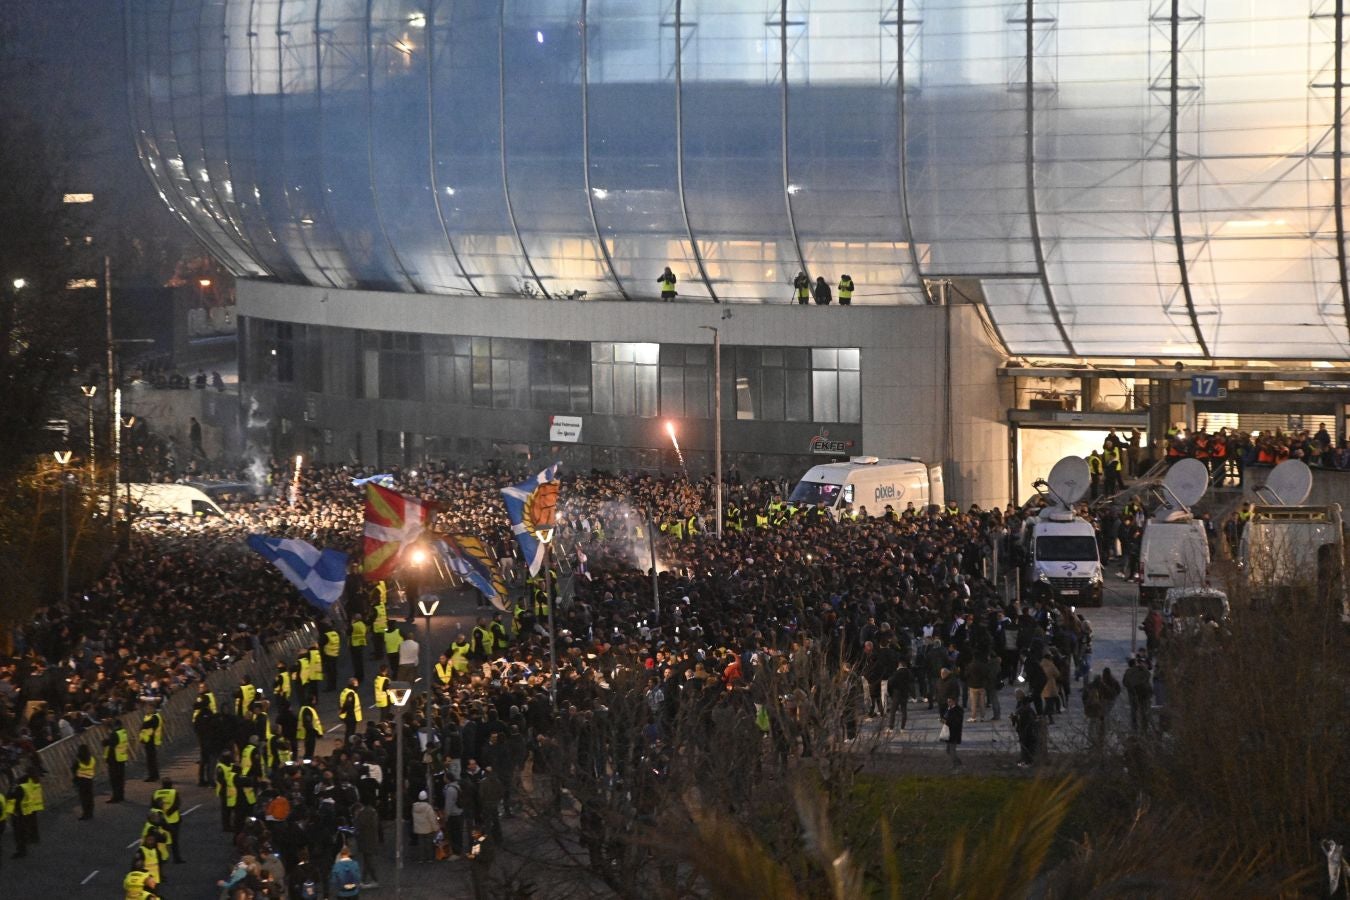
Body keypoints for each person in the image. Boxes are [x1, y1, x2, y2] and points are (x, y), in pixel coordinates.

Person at [152, 779, 184, 864]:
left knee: (160, 841)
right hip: (173, 820)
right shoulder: (174, 792)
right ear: (171, 785)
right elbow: (177, 805)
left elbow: (152, 807)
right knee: (174, 840)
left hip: (160, 821)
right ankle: (176, 858)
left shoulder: (156, 793)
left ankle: (158, 858)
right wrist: (168, 813)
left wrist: (162, 814)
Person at [1011, 689, 1038, 768]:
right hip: (1029, 728)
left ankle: (1026, 761)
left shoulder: (1021, 707)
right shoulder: (1027, 705)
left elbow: (1018, 716)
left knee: (1025, 745)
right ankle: (1026, 760)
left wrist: (1013, 719)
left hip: (1024, 728)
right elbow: (1034, 716)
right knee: (1028, 745)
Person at [105, 720, 130, 803]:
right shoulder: (123, 732)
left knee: (114, 779)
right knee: (121, 778)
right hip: (122, 757)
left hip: (114, 759)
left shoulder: (115, 734)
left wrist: (106, 741)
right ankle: (121, 795)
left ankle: (115, 797)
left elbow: (111, 745)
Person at [467, 826, 495, 900]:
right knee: (478, 886)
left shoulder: (484, 842)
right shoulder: (477, 841)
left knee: (483, 885)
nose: (473, 835)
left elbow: (485, 856)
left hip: (482, 866)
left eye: (475, 833)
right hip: (478, 866)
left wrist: (474, 857)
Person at [139, 700, 164, 781]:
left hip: (151, 740)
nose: (147, 709)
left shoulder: (155, 717)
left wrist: (143, 726)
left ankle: (152, 776)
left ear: (153, 708)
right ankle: (154, 775)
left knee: (151, 760)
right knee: (151, 759)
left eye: (148, 708)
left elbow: (147, 725)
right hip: (148, 739)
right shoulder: (150, 716)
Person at [412, 790, 439, 862]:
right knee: (428, 844)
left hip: (419, 829)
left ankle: (421, 858)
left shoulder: (414, 807)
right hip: (428, 828)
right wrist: (436, 828)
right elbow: (432, 819)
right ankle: (429, 858)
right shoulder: (428, 807)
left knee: (421, 844)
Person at [73, 744, 96, 820]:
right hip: (89, 779)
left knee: (84, 798)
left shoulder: (78, 760)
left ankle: (86, 813)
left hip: (81, 781)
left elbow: (74, 770)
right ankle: (91, 812)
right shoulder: (92, 759)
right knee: (90, 797)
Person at [941, 696, 964, 768]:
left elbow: (956, 722)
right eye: (948, 701)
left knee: (952, 751)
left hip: (954, 733)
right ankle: (958, 763)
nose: (948, 703)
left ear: (954, 701)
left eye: (950, 701)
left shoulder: (958, 710)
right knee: (948, 750)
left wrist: (946, 721)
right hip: (949, 733)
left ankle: (956, 765)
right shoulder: (948, 709)